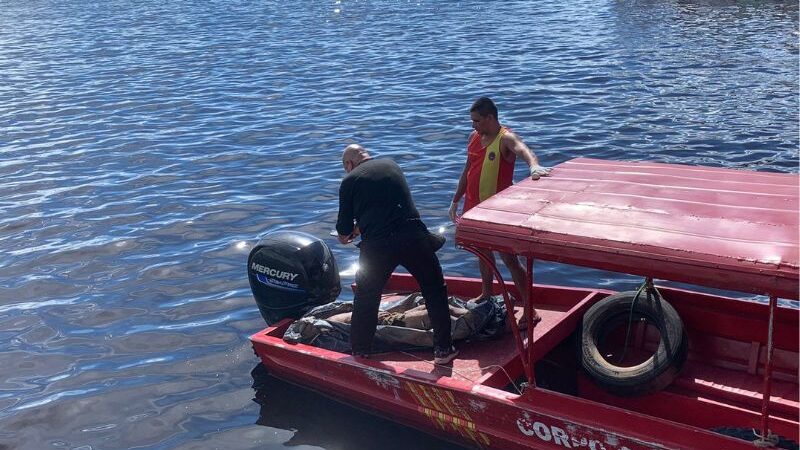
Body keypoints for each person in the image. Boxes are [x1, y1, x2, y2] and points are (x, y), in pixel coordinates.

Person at [336, 144, 458, 364]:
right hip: (413, 236)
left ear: (348, 164)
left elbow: (344, 231)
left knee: (367, 297)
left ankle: (361, 351)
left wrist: (347, 235)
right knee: (434, 289)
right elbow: (388, 208)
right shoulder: (392, 166)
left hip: (378, 247)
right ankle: (443, 350)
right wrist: (362, 226)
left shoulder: (349, 181)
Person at [448, 97, 550, 325]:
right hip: (475, 209)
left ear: (490, 118)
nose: (473, 125)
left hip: (497, 212)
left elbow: (523, 150)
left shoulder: (505, 138)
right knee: (483, 253)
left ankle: (530, 309)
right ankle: (486, 292)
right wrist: (455, 200)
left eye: (476, 121)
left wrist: (533, 165)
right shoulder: (474, 138)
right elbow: (467, 171)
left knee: (510, 260)